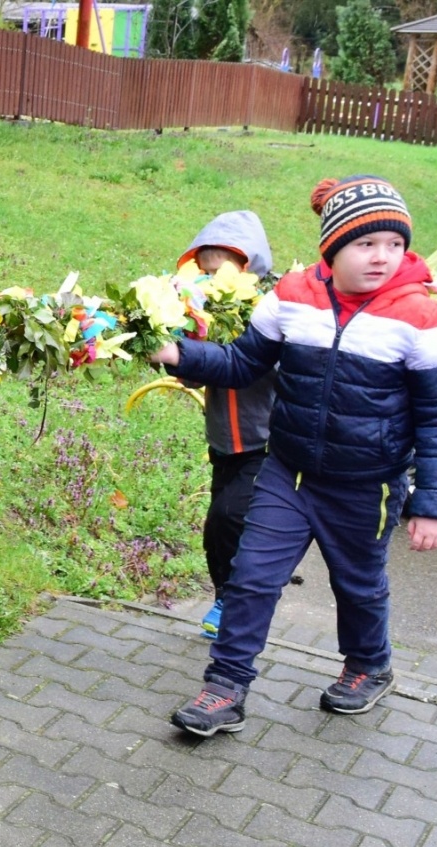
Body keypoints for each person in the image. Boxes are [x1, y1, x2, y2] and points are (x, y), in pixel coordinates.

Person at [149, 176, 437, 737]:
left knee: (358, 585)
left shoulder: (418, 315)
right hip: (287, 473)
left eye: (394, 244)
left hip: (367, 486)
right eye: (366, 244)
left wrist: (436, 503)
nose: (382, 257)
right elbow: (242, 363)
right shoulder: (292, 296)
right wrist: (177, 353)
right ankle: (225, 688)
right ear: (333, 246)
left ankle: (369, 665)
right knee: (251, 578)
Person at [175, 212, 275, 640]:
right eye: (206, 270)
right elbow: (193, 376)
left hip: (266, 441)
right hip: (223, 440)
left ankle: (239, 600)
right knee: (216, 531)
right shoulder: (199, 310)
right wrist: (180, 344)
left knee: (229, 515)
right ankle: (225, 595)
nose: (212, 279)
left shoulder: (272, 309)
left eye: (222, 271)